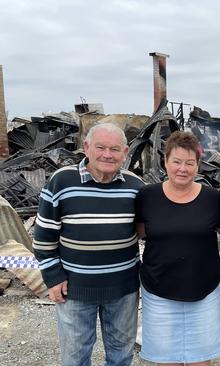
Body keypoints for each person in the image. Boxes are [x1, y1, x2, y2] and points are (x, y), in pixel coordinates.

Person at [33, 122, 143, 366]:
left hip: (123, 289)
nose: (107, 154)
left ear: (125, 153)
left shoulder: (136, 187)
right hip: (74, 289)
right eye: (100, 147)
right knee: (75, 357)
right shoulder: (61, 181)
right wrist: (52, 276)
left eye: (115, 149)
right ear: (86, 148)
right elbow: (43, 237)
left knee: (121, 355)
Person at [134, 131, 220, 365]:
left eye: (190, 163)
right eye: (177, 162)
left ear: (198, 165)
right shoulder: (147, 196)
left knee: (200, 360)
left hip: (203, 294)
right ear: (165, 161)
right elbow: (139, 231)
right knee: (167, 360)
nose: (183, 168)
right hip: (159, 293)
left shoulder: (212, 199)